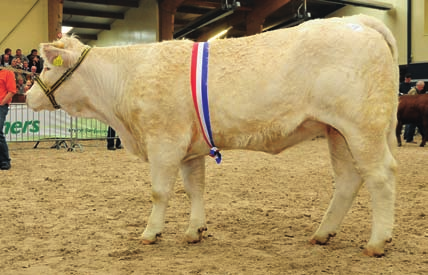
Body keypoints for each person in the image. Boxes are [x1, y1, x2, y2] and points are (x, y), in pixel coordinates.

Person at [0, 68, 17, 170]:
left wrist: (2, 103)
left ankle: (5, 160)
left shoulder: (7, 73)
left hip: (1, 106)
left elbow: (12, 91)